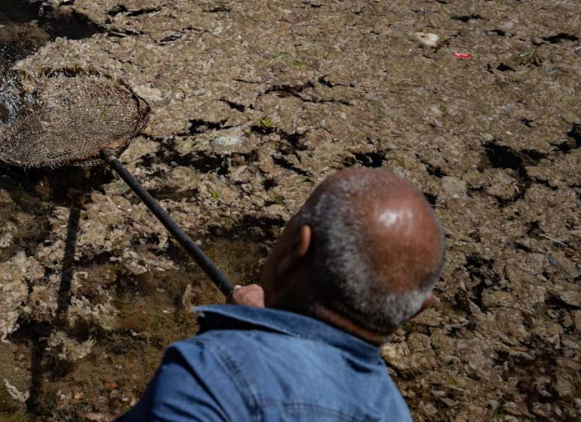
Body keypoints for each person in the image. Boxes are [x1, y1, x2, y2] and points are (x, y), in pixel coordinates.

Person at [118, 168, 445, 421]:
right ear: (419, 308)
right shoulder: (395, 412)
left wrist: (241, 341)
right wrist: (255, 329)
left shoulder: (211, 374)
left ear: (295, 250)